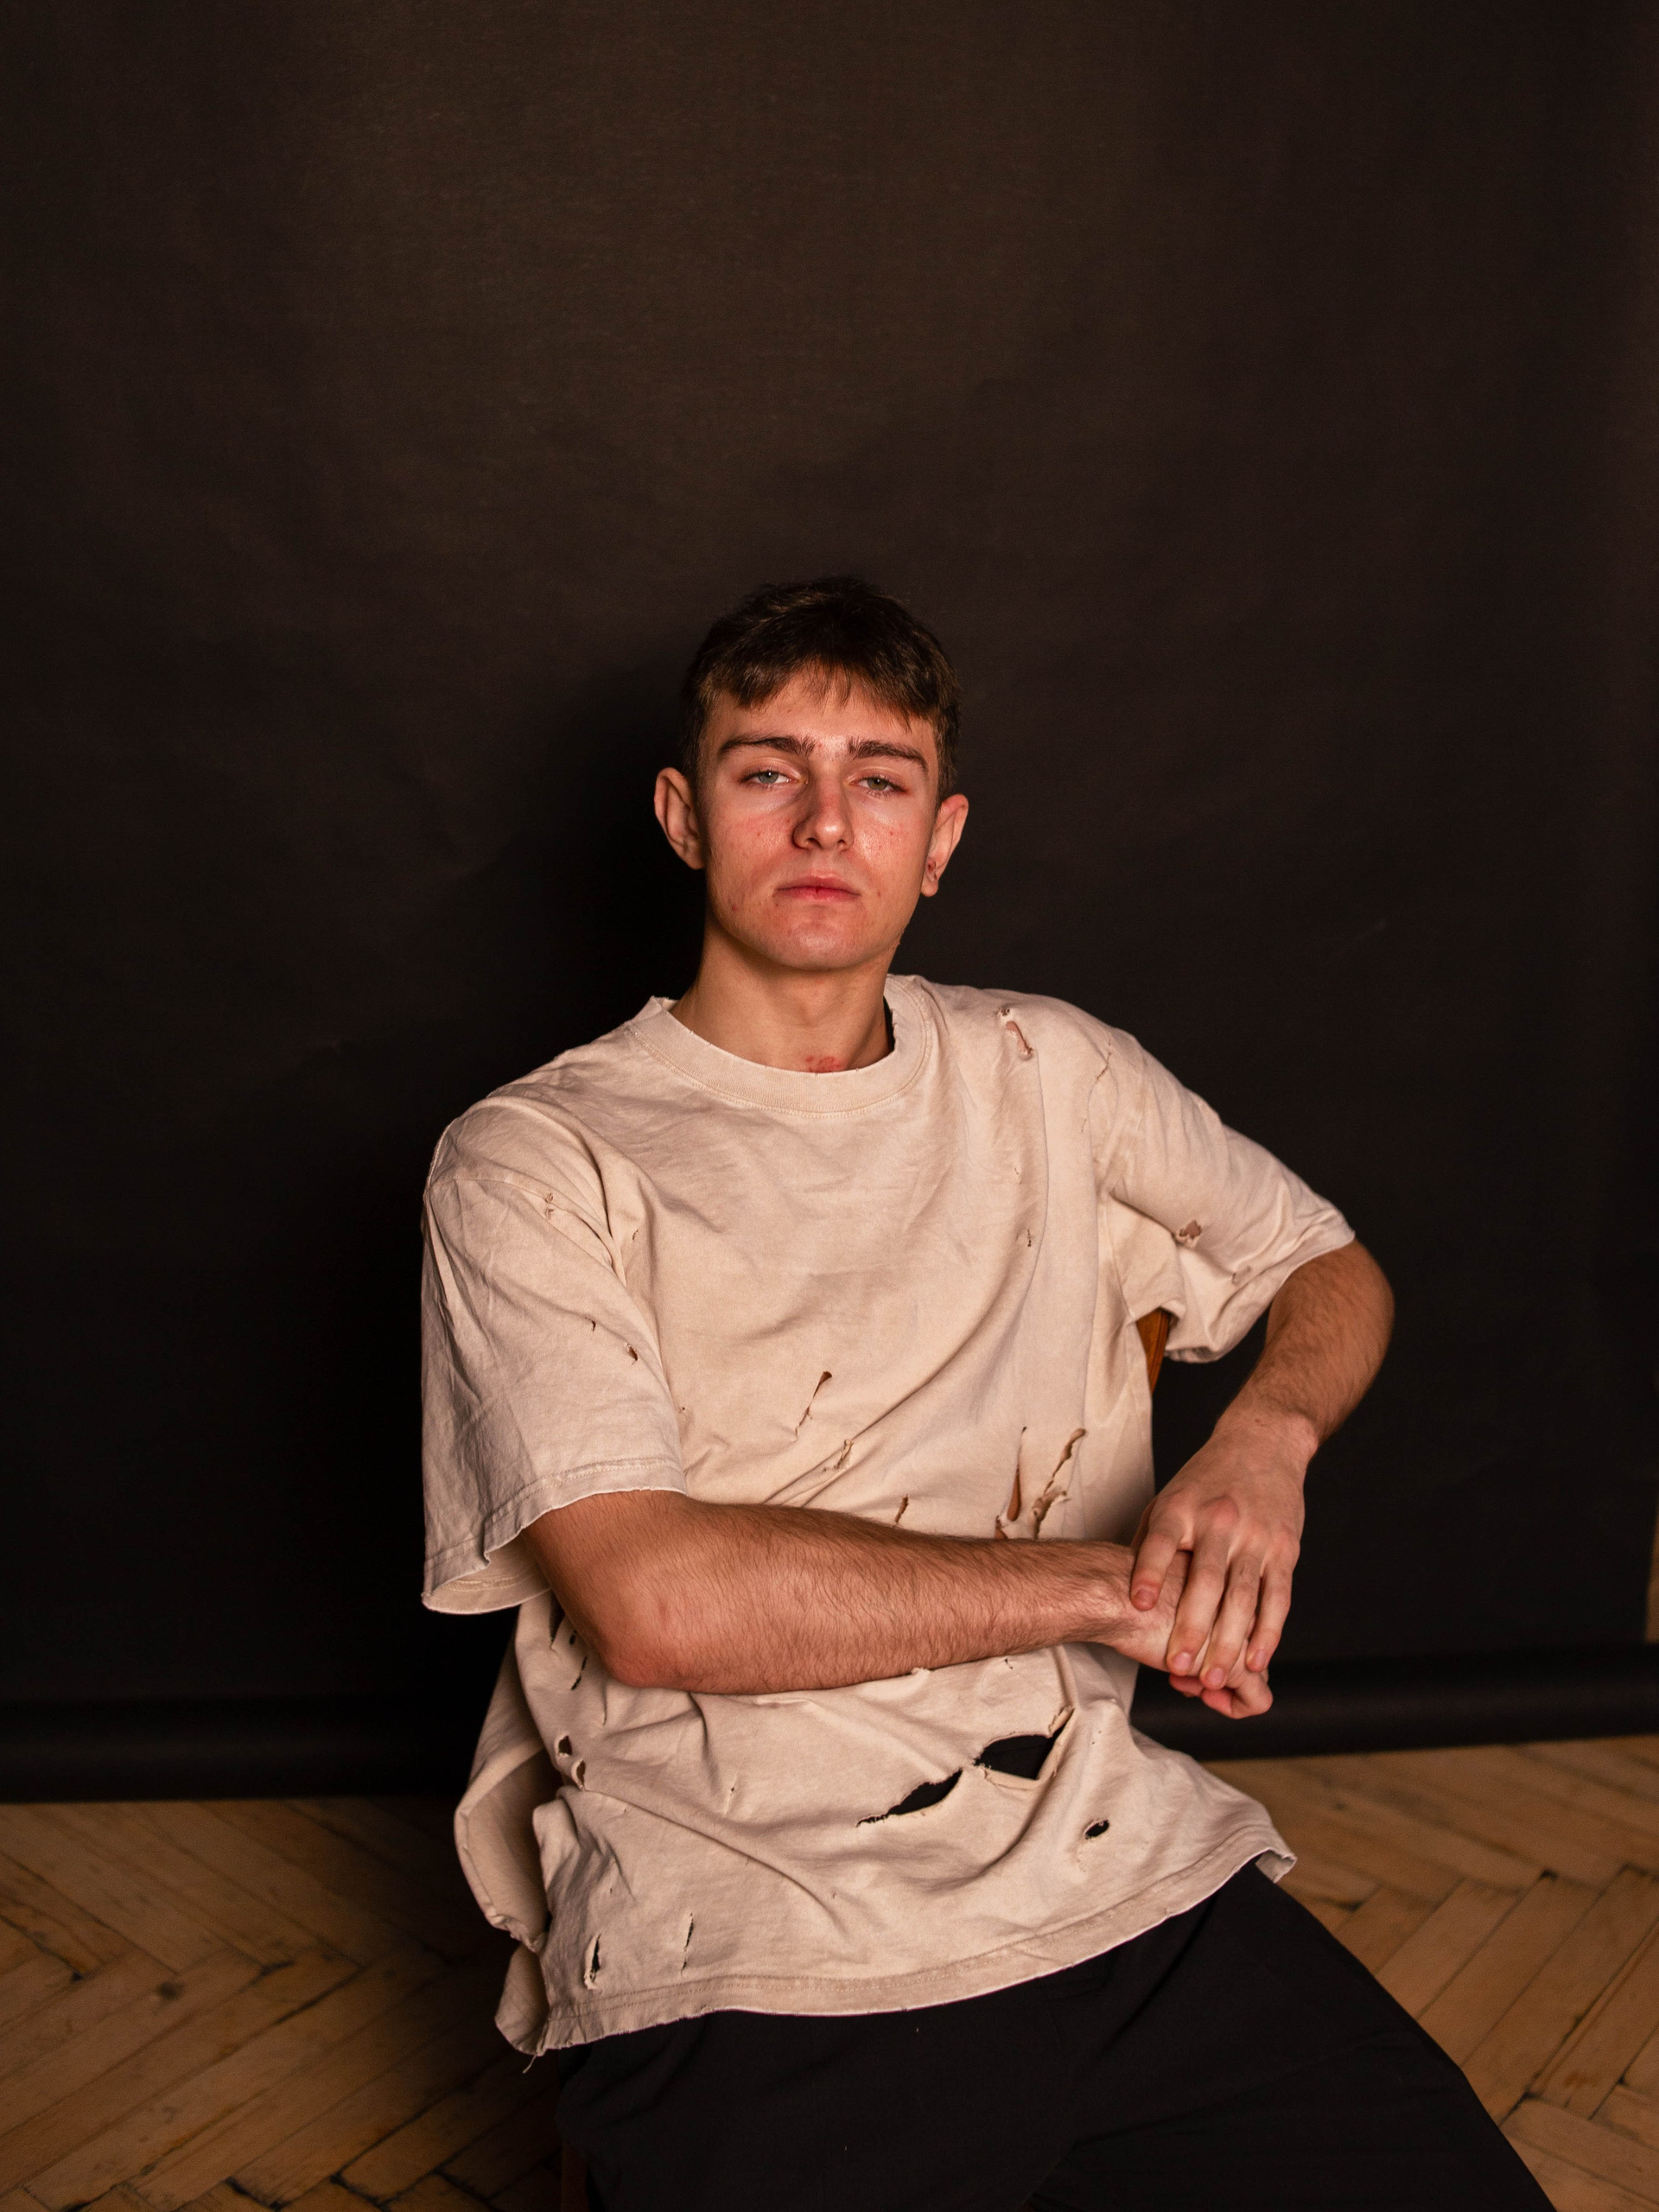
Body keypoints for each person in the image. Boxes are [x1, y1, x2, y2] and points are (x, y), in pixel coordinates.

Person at [421, 578, 1548, 2210]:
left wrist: (1265, 1440)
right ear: (682, 815)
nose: (826, 823)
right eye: (767, 771)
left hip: (1096, 1866)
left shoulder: (1049, 1072)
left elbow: (1327, 1267)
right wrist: (1120, 1589)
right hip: (747, 1926)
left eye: (879, 780)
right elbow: (654, 1604)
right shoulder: (538, 1156)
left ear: (940, 838)